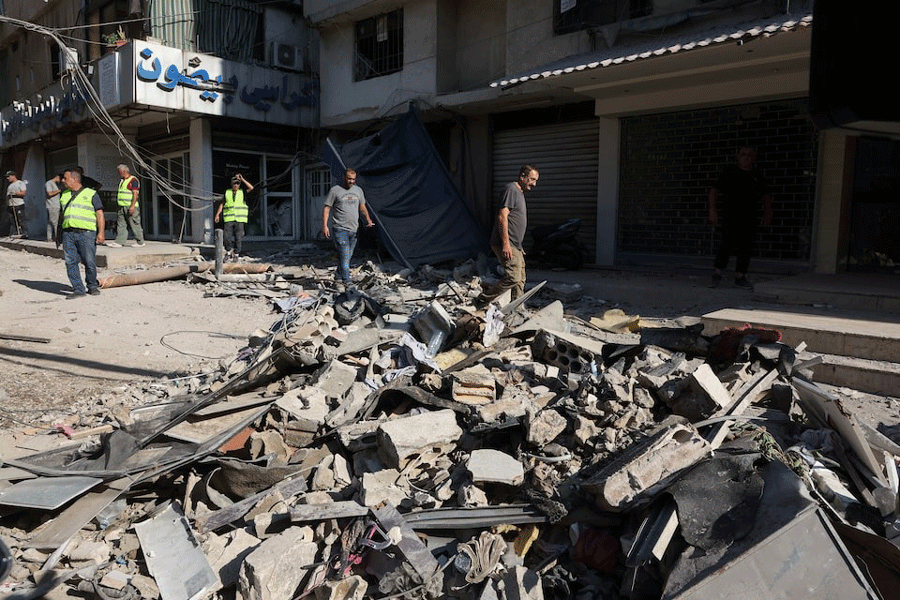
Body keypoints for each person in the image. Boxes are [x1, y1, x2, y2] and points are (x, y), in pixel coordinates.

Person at [708, 147, 772, 289]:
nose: (746, 158)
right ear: (738, 157)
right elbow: (714, 190)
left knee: (746, 246)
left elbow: (766, 195)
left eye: (749, 155)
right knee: (726, 244)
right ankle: (717, 273)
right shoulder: (730, 172)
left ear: (753, 158)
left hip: (750, 216)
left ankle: (740, 276)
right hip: (730, 215)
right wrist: (712, 210)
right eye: (743, 155)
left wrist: (767, 212)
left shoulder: (757, 175)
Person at [477, 165, 539, 304]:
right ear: (522, 176)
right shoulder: (511, 189)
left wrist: (519, 245)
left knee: (520, 279)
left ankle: (517, 308)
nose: (534, 184)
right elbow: (502, 216)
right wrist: (506, 244)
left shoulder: (519, 193)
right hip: (505, 243)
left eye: (536, 180)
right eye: (532, 179)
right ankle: (482, 299)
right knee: (513, 277)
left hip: (515, 244)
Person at [322, 168, 374, 288]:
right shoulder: (335, 190)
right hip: (340, 229)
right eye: (349, 179)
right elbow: (327, 208)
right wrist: (324, 226)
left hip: (354, 230)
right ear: (344, 178)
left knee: (346, 257)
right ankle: (347, 281)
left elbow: (362, 207)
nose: (351, 181)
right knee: (345, 255)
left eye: (353, 179)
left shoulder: (358, 190)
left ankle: (338, 275)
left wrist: (368, 219)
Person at [59, 168, 105, 298]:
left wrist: (101, 232)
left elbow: (100, 214)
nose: (62, 181)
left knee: (89, 261)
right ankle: (78, 289)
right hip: (68, 233)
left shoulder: (91, 193)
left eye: (65, 178)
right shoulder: (64, 194)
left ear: (74, 179)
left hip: (86, 233)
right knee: (70, 262)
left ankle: (92, 286)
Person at [214, 173, 254, 261]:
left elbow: (251, 188)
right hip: (229, 218)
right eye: (234, 183)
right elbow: (222, 204)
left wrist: (242, 179)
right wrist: (217, 215)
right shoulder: (227, 192)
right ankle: (228, 252)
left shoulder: (242, 192)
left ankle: (236, 254)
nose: (236, 185)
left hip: (239, 219)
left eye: (238, 183)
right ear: (232, 184)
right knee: (226, 237)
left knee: (238, 238)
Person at [106, 164, 145, 247]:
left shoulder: (133, 180)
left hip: (130, 206)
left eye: (119, 172)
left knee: (134, 224)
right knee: (121, 224)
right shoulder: (122, 181)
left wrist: (132, 206)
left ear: (123, 171)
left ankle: (140, 242)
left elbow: (135, 194)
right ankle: (119, 242)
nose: (119, 173)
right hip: (122, 206)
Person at [5, 170, 28, 238]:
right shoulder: (10, 185)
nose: (7, 178)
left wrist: (16, 193)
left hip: (18, 205)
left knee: (21, 220)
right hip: (11, 205)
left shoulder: (20, 183)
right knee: (13, 221)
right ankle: (15, 233)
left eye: (9, 176)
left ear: (13, 176)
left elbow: (24, 193)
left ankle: (25, 234)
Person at [45, 174, 62, 243]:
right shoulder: (49, 183)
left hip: (54, 205)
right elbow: (49, 193)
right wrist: (58, 191)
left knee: (51, 222)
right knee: (55, 223)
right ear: (57, 177)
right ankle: (56, 237)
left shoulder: (53, 184)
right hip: (52, 206)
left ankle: (50, 238)